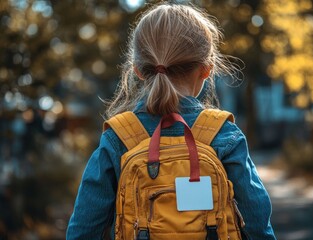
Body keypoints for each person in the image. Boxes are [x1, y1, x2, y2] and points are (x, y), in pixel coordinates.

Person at [66, 2, 276, 240]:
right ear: (207, 69)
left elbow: (84, 228)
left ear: (137, 70)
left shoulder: (119, 137)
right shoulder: (222, 133)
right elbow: (257, 221)